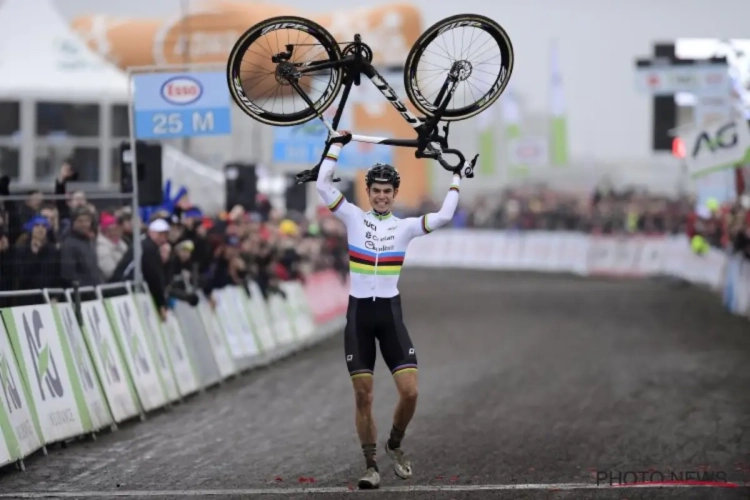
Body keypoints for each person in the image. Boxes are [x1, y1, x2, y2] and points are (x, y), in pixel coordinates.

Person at [315, 130, 463, 489]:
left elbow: (443, 216)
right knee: (363, 394)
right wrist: (336, 144)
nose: (381, 196)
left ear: (395, 195)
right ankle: (370, 465)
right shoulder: (352, 217)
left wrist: (457, 178)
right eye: (376, 191)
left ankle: (394, 444)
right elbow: (322, 184)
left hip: (390, 315)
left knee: (410, 392)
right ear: (369, 193)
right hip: (360, 316)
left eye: (387, 192)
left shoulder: (406, 227)